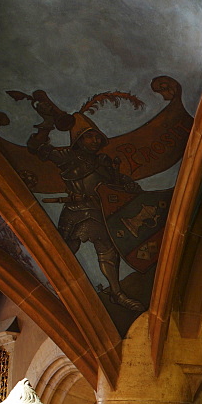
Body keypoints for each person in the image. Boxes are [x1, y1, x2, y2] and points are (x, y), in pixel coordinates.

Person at [27, 110, 144, 312]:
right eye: (89, 136)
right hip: (75, 211)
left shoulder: (104, 161)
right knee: (65, 252)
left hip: (100, 211)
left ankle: (116, 292)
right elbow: (37, 148)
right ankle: (57, 295)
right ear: (79, 139)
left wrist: (128, 184)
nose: (95, 140)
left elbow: (114, 183)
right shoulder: (67, 157)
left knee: (108, 251)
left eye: (97, 137)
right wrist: (46, 125)